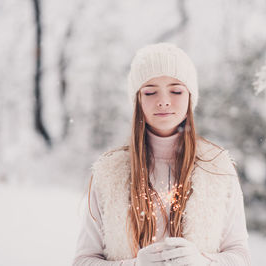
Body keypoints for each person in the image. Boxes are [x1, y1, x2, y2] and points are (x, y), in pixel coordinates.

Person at [73, 42, 251, 266]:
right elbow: (83, 261)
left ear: (190, 97)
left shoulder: (217, 168)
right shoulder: (109, 173)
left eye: (176, 90)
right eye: (150, 91)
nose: (164, 100)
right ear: (138, 100)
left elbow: (241, 256)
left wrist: (203, 262)